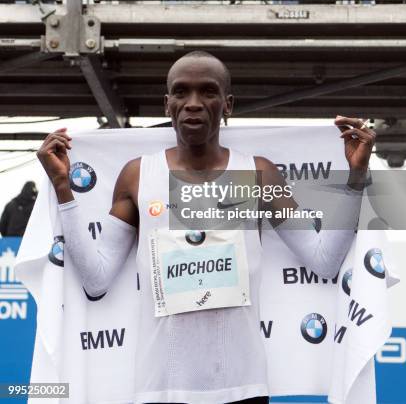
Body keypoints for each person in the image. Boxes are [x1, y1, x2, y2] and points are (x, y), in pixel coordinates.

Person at [37, 51, 375, 404]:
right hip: (160, 390)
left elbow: (324, 261)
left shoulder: (256, 175)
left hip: (242, 389)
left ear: (228, 104)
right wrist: (64, 188)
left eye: (208, 92)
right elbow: (96, 279)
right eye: (181, 92)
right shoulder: (138, 175)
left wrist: (355, 177)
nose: (193, 103)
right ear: (167, 104)